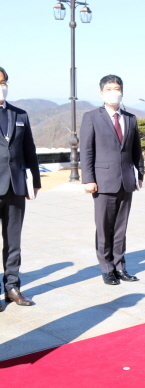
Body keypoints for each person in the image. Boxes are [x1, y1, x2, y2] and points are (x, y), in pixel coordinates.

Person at [80, 74, 144, 285]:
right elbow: (86, 150)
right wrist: (88, 179)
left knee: (120, 227)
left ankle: (120, 266)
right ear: (101, 93)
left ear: (122, 91)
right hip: (103, 181)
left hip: (126, 180)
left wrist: (139, 175)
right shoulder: (92, 117)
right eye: (109, 89)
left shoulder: (130, 118)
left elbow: (136, 151)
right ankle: (107, 268)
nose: (113, 92)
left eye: (116, 88)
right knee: (104, 227)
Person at [0, 66, 41, 308]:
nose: (1, 86)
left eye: (3, 81)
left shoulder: (20, 115)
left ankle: (12, 287)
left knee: (13, 240)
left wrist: (34, 182)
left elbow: (30, 150)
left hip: (15, 187)